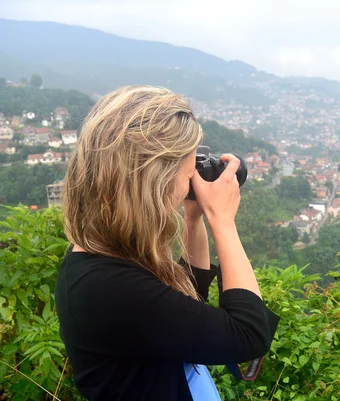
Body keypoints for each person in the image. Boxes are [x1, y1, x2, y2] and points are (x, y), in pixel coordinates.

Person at [55, 86, 280, 401]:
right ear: (154, 181)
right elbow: (249, 334)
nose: (192, 181)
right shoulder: (111, 289)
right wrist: (223, 221)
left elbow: (189, 297)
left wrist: (193, 218)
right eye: (188, 174)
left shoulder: (105, 255)